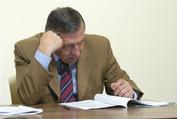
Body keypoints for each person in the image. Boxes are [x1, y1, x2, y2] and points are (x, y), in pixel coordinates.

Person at [14, 7, 143, 105]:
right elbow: (26, 99)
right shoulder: (26, 50)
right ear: (52, 38)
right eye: (69, 45)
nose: (77, 52)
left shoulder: (100, 47)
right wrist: (43, 53)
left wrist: (129, 93)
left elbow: (121, 82)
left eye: (80, 42)